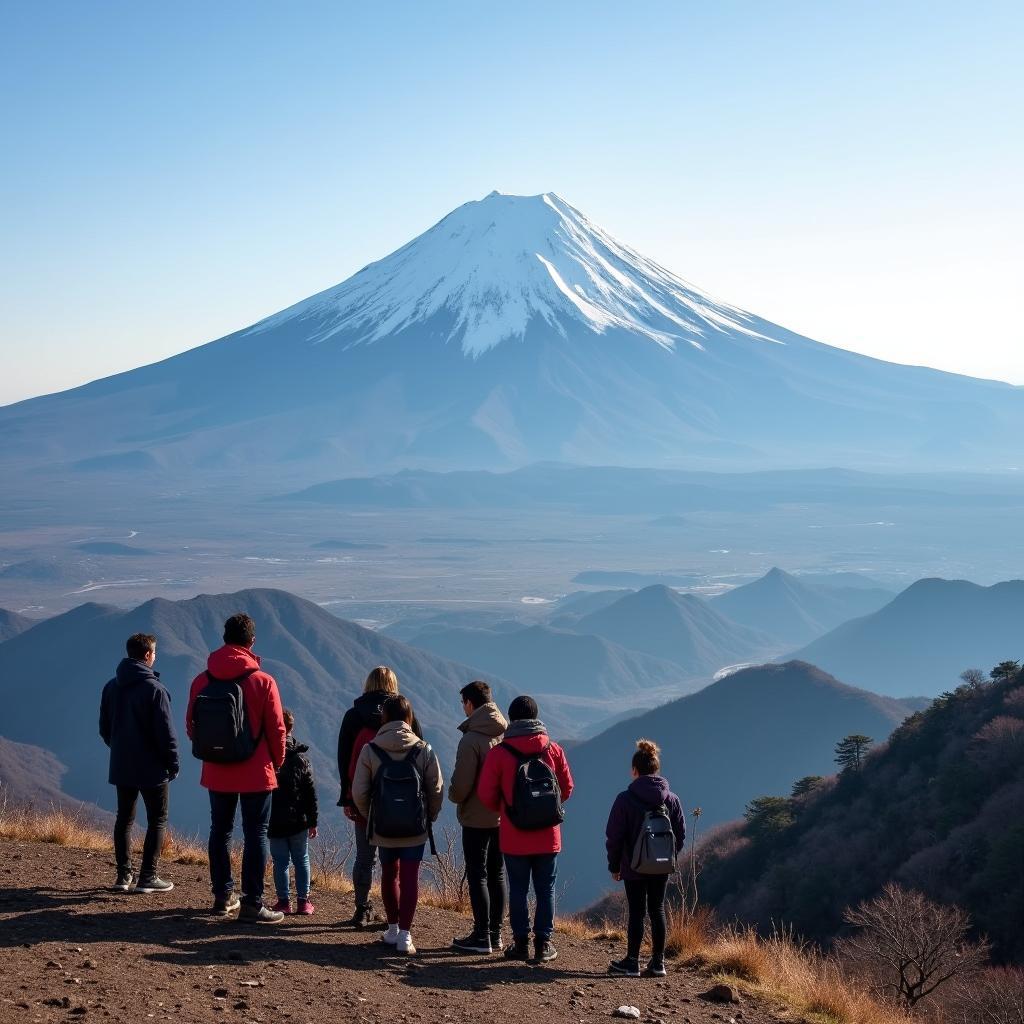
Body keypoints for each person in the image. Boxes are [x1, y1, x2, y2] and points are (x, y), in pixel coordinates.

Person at [186, 612, 287, 923]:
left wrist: (214, 752)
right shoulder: (263, 681)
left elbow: (192, 726)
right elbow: (277, 730)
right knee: (256, 833)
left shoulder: (202, 680)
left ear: (225, 639)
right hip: (257, 770)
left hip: (217, 769)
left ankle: (222, 896)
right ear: (251, 642)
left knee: (221, 830)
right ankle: (253, 903)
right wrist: (276, 762)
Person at [478, 695, 573, 964]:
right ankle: (543, 944)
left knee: (518, 888)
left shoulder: (500, 753)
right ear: (536, 717)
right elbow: (566, 787)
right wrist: (545, 810)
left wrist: (507, 810)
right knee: (546, 889)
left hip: (514, 834)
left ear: (512, 719)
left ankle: (520, 943)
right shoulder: (552, 750)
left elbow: (486, 793)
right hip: (548, 835)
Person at [352, 694, 442, 955]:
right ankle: (405, 935)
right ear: (409, 718)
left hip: (383, 827)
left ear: (385, 718)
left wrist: (372, 816)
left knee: (389, 875)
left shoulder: (371, 749)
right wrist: (429, 816)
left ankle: (391, 929)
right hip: (415, 827)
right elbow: (436, 789)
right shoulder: (423, 749)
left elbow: (359, 791)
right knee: (410, 877)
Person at [337, 666, 422, 928]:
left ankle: (362, 908)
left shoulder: (354, 717)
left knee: (365, 857)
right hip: (403, 803)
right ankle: (396, 918)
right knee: (396, 862)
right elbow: (420, 755)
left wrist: (348, 797)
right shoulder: (407, 716)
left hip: (365, 798)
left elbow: (344, 758)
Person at [99, 632, 179, 894]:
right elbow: (166, 733)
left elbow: (104, 728)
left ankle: (123, 877)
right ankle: (148, 877)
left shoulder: (112, 686)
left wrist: (121, 749)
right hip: (152, 767)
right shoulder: (155, 690)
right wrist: (172, 762)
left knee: (124, 819)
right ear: (147, 655)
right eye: (154, 653)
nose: (155, 657)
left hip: (122, 764)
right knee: (157, 818)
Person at [604, 739, 686, 978]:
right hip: (662, 866)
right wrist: (667, 857)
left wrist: (615, 864)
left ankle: (631, 962)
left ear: (634, 771)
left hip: (633, 865)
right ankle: (658, 963)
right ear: (657, 769)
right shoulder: (671, 799)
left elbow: (614, 837)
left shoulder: (625, 799)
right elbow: (678, 835)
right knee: (657, 909)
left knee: (637, 912)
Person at [447, 680, 508, 953]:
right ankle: (496, 934)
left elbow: (461, 785)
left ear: (470, 703)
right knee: (497, 873)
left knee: (478, 874)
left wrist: (452, 795)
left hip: (476, 816)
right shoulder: (505, 733)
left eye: (463, 703)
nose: (463, 708)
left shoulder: (472, 739)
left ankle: (481, 935)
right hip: (503, 816)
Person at [268, 709, 319, 915]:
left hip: (274, 819)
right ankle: (303, 901)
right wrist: (313, 821)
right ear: (292, 728)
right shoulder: (301, 759)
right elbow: (310, 794)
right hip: (299, 819)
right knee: (301, 859)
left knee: (280, 862)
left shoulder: (268, 756)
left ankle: (283, 902)